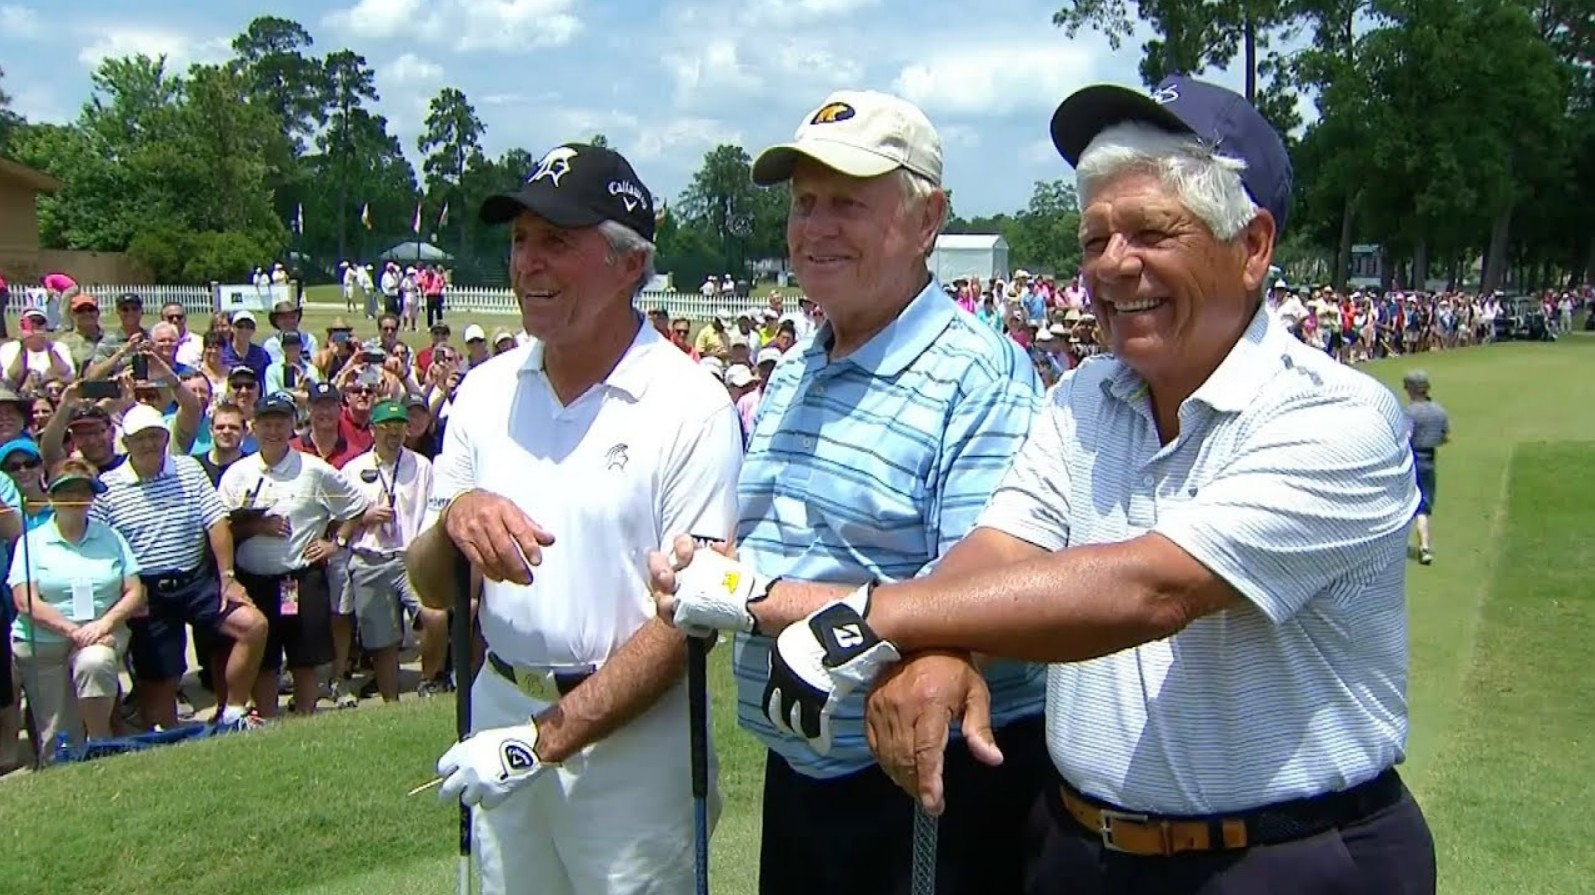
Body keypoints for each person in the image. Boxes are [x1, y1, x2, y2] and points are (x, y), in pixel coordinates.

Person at [734, 76, 1436, 895]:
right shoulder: (1080, 397)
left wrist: (867, 618)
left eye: (1149, 231)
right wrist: (943, 645)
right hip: (1078, 850)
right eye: (1093, 237)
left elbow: (1152, 586)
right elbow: (1000, 547)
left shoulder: (1336, 415)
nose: (1113, 264)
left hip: (1283, 856)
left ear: (1251, 247)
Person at [649, 90, 1049, 895]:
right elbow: (797, 547)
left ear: (927, 218)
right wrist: (713, 568)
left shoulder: (979, 372)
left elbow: (980, 596)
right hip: (802, 767)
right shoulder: (800, 362)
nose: (815, 227)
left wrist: (750, 593)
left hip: (924, 779)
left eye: (848, 202)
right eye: (804, 203)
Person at [405, 142, 744, 895]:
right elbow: (433, 587)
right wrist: (454, 515)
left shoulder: (690, 405)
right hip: (498, 707)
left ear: (629, 263)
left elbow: (691, 621)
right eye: (520, 240)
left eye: (556, 241)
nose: (527, 262)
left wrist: (544, 738)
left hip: (632, 748)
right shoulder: (484, 392)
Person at [9, 459, 144, 760]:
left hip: (101, 636)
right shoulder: (32, 542)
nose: (76, 499)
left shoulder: (110, 536)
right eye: (67, 491)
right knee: (57, 737)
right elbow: (24, 600)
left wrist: (102, 625)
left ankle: (100, 744)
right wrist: (74, 631)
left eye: (84, 491)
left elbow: (134, 590)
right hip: (43, 644)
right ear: (52, 495)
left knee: (95, 663)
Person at [1402, 370, 1449, 565]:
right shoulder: (1439, 411)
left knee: (1405, 503)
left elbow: (1403, 438)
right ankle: (1424, 546)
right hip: (1429, 460)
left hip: (1410, 460)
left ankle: (1414, 545)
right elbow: (1445, 437)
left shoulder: (1409, 412)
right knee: (1424, 505)